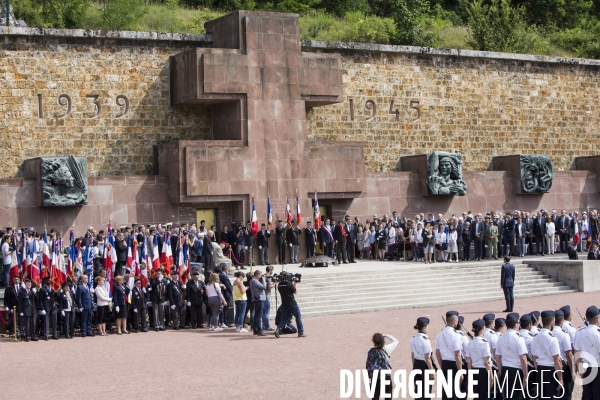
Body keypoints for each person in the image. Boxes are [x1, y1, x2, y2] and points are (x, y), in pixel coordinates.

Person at [495, 313, 529, 400]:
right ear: (515, 325)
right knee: (517, 396)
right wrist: (526, 375)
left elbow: (498, 357)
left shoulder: (501, 338)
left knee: (507, 396)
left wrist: (501, 370)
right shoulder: (519, 338)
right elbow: (523, 358)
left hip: (505, 369)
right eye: (518, 323)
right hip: (516, 369)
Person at [530, 310, 563, 399]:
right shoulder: (552, 338)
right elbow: (557, 359)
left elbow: (534, 357)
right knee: (553, 396)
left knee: (542, 396)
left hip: (540, 368)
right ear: (552, 322)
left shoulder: (535, 337)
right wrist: (560, 378)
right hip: (551, 369)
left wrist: (538, 371)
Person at [573, 306, 600, 400]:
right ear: (597, 319)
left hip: (586, 368)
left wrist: (580, 368)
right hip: (598, 368)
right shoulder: (598, 333)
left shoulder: (579, 332)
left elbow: (577, 352)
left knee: (587, 395)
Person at [436, 311, 463, 400]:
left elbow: (437, 353)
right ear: (455, 321)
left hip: (444, 363)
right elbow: (457, 355)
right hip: (453, 364)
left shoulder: (440, 334)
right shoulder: (455, 335)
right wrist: (460, 371)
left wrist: (442, 365)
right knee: (454, 392)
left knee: (446, 391)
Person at [466, 319, 493, 400]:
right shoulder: (484, 343)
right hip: (483, 371)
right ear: (482, 329)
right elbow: (486, 362)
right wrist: (491, 376)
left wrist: (470, 374)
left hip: (474, 370)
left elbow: (469, 362)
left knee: (477, 395)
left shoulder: (470, 343)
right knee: (484, 396)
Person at [366, 333, 398, 400]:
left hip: (375, 375)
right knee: (388, 395)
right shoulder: (387, 349)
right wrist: (386, 335)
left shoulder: (369, 350)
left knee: (375, 395)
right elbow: (395, 341)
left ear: (373, 341)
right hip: (386, 375)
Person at [410, 317, 434, 400]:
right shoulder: (425, 340)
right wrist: (431, 371)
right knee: (426, 391)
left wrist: (414, 367)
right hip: (425, 366)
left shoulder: (413, 339)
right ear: (424, 327)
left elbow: (412, 355)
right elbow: (427, 357)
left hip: (416, 364)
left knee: (418, 390)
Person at [553, 309, 573, 400]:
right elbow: (568, 354)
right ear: (562, 320)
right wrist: (572, 369)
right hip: (564, 366)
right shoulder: (564, 334)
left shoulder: (548, 333)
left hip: (551, 366)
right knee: (566, 393)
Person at [250, 269, 267, 336]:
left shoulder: (253, 280)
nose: (261, 276)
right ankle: (259, 330)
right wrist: (263, 280)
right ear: (257, 275)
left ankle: (256, 330)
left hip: (257, 299)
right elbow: (263, 287)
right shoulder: (254, 281)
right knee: (259, 316)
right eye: (260, 275)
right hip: (259, 299)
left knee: (257, 315)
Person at [36, 276, 53, 340]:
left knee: (50, 321)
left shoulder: (51, 288)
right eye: (48, 280)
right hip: (45, 308)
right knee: (46, 322)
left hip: (51, 307)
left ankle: (50, 333)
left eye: (50, 280)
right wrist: (42, 309)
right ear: (45, 281)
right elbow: (40, 300)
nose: (50, 281)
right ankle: (46, 335)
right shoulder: (42, 289)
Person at [262, 266, 275, 331]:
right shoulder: (268, 277)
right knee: (266, 312)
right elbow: (269, 286)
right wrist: (275, 283)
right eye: (272, 270)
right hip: (266, 296)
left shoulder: (263, 276)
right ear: (270, 270)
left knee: (263, 312)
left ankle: (264, 325)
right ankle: (266, 326)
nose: (272, 272)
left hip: (263, 296)